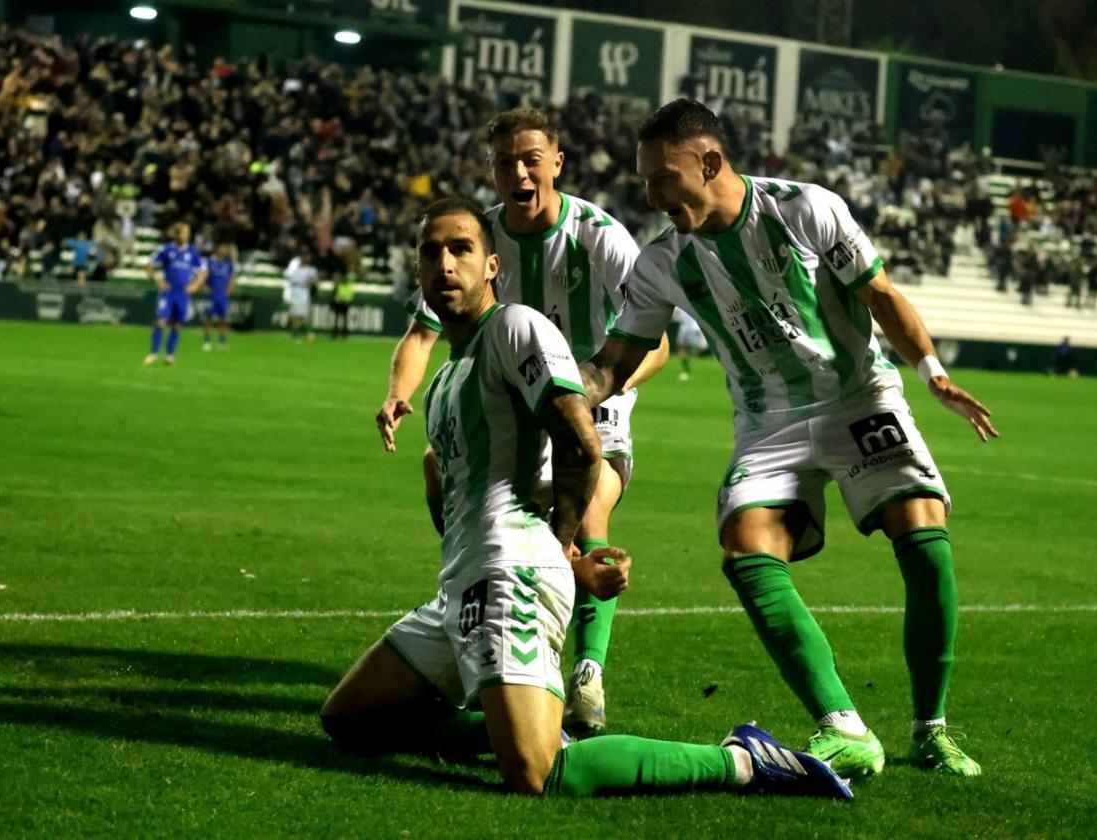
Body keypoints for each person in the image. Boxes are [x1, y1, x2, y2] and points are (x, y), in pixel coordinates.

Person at [321, 196, 852, 801]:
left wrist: (561, 548)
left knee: (537, 775)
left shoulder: (515, 327)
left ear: (491, 265)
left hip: (510, 576)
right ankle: (515, 725)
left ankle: (743, 761)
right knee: (349, 720)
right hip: (459, 587)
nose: (445, 263)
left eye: (460, 249)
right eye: (431, 252)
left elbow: (580, 439)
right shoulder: (448, 377)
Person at [578, 99, 999, 779]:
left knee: (923, 535)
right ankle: (845, 726)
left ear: (709, 162)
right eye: (646, 181)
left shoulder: (806, 209)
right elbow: (614, 363)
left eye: (663, 178)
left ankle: (931, 728)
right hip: (767, 421)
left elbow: (881, 293)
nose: (651, 195)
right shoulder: (663, 262)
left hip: (858, 395)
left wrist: (934, 372)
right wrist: (556, 393)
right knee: (745, 546)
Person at [376, 109, 669, 736]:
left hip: (592, 404)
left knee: (588, 510)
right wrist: (399, 393)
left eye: (531, 158)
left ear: (556, 163)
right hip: (504, 401)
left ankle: (587, 670)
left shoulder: (600, 235)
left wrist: (596, 391)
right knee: (436, 468)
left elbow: (660, 342)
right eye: (505, 161)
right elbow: (420, 334)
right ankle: (475, 605)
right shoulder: (475, 238)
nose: (518, 171)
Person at [144, 223, 206, 365]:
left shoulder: (192, 252)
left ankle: (170, 355)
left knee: (177, 325)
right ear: (177, 234)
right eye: (184, 233)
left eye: (187, 233)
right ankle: (153, 353)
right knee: (160, 321)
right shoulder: (166, 249)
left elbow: (203, 270)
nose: (186, 235)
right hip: (168, 292)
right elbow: (149, 264)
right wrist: (157, 280)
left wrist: (195, 285)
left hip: (182, 293)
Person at [201, 242, 238, 350]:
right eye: (222, 249)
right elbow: (202, 274)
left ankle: (222, 340)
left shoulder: (228, 263)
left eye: (225, 249)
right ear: (217, 250)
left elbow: (232, 276)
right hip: (212, 294)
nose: (224, 251)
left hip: (223, 295)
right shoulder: (209, 262)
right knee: (208, 318)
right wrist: (204, 286)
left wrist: (231, 287)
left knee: (223, 318)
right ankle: (207, 340)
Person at [283, 248, 318, 342]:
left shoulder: (311, 270)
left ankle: (302, 333)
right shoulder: (295, 269)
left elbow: (314, 282)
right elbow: (289, 279)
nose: (307, 259)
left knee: (303, 315)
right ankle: (298, 334)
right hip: (296, 290)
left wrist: (312, 285)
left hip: (304, 291)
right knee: (296, 314)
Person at [672, 307, 707, 381]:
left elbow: (675, 316)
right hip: (685, 329)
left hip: (693, 329)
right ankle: (686, 368)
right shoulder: (679, 306)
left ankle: (689, 365)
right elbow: (675, 316)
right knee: (682, 348)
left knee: (698, 348)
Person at [330, 265, 355, 340]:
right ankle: (337, 333)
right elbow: (336, 294)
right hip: (339, 303)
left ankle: (343, 334)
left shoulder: (347, 286)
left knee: (343, 319)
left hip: (344, 303)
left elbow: (349, 295)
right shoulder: (341, 285)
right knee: (338, 319)